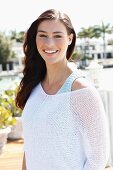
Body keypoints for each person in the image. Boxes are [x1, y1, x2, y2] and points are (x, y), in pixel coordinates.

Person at [16, 9, 110, 170]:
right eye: (43, 35)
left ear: (70, 39)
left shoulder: (81, 91)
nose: (49, 43)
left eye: (57, 35)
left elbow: (98, 158)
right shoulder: (34, 85)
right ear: (35, 38)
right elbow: (31, 146)